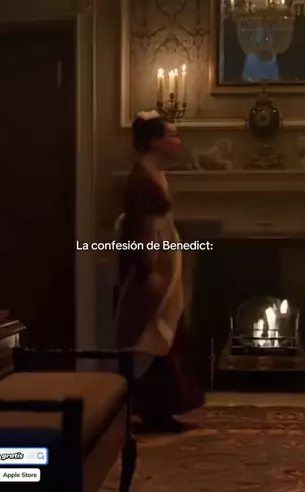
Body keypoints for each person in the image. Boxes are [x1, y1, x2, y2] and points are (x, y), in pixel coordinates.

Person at [114, 110, 205, 432]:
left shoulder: (155, 174)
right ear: (155, 142)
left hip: (165, 263)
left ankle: (164, 408)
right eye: (172, 135)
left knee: (168, 329)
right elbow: (141, 230)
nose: (178, 141)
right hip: (150, 267)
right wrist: (149, 269)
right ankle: (152, 409)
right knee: (152, 333)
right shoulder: (141, 181)